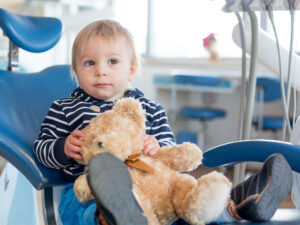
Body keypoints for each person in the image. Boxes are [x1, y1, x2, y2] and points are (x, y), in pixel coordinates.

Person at [33, 19, 293, 225]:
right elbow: (41, 148)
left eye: (112, 61)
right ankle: (108, 217)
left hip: (152, 184)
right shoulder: (65, 108)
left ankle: (235, 206)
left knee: (181, 200)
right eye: (89, 63)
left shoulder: (148, 108)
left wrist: (156, 145)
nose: (101, 70)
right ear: (75, 71)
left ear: (131, 69)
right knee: (77, 208)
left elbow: (169, 144)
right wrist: (63, 147)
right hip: (90, 187)